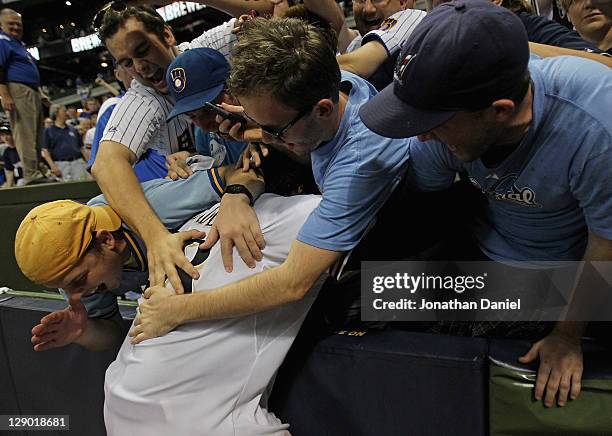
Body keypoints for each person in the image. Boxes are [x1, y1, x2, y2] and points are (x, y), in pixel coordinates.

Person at [359, 0, 612, 408]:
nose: (422, 137)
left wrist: (567, 335)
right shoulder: (454, 113)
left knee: (446, 381)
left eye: (435, 126)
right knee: (370, 298)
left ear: (499, 112)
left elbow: (606, 243)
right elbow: (421, 199)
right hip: (485, 245)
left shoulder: (595, 122)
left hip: (559, 275)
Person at [126, 17, 410, 352]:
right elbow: (311, 146)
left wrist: (179, 310)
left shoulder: (362, 162)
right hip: (391, 238)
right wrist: (244, 180)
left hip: (437, 266)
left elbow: (292, 283)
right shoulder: (331, 85)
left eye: (272, 128)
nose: (261, 136)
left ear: (321, 109)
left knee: (334, 313)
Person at [92, 5, 261, 294]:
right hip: (230, 192)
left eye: (142, 49)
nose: (140, 68)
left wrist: (264, 128)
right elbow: (106, 164)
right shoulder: (145, 100)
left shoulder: (210, 48)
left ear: (168, 34)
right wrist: (155, 238)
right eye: (127, 63)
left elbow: (277, 10)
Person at [165, 47, 247, 177]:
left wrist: (267, 137)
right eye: (191, 116)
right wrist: (189, 162)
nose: (203, 127)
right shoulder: (201, 134)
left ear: (231, 86)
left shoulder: (268, 117)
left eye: (208, 110)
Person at [0, 9, 51, 184]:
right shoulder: (2, 41)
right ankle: (31, 173)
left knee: (36, 132)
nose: (15, 27)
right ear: (1, 25)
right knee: (25, 132)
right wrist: (5, 95)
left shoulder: (18, 44)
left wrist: (40, 93)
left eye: (18, 24)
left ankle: (37, 170)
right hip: (17, 90)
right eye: (11, 24)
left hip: (31, 91)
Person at [41, 105, 91, 181]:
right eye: (64, 111)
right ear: (57, 113)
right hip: (61, 164)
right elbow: (45, 151)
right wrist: (53, 166)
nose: (67, 113)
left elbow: (81, 148)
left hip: (78, 162)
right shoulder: (49, 131)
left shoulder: (72, 128)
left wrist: (89, 162)